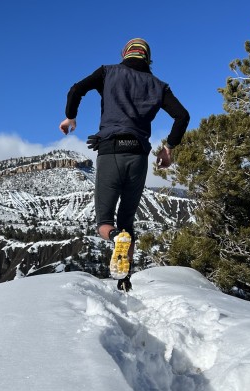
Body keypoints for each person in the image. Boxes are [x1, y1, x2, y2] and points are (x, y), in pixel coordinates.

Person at [59, 38, 189, 291]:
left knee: (104, 222)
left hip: (110, 151)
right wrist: (169, 148)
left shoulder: (108, 72)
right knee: (127, 220)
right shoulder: (159, 86)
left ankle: (115, 237)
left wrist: (70, 117)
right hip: (138, 156)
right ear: (148, 59)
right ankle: (124, 279)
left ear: (124, 53)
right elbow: (182, 116)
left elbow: (76, 89)